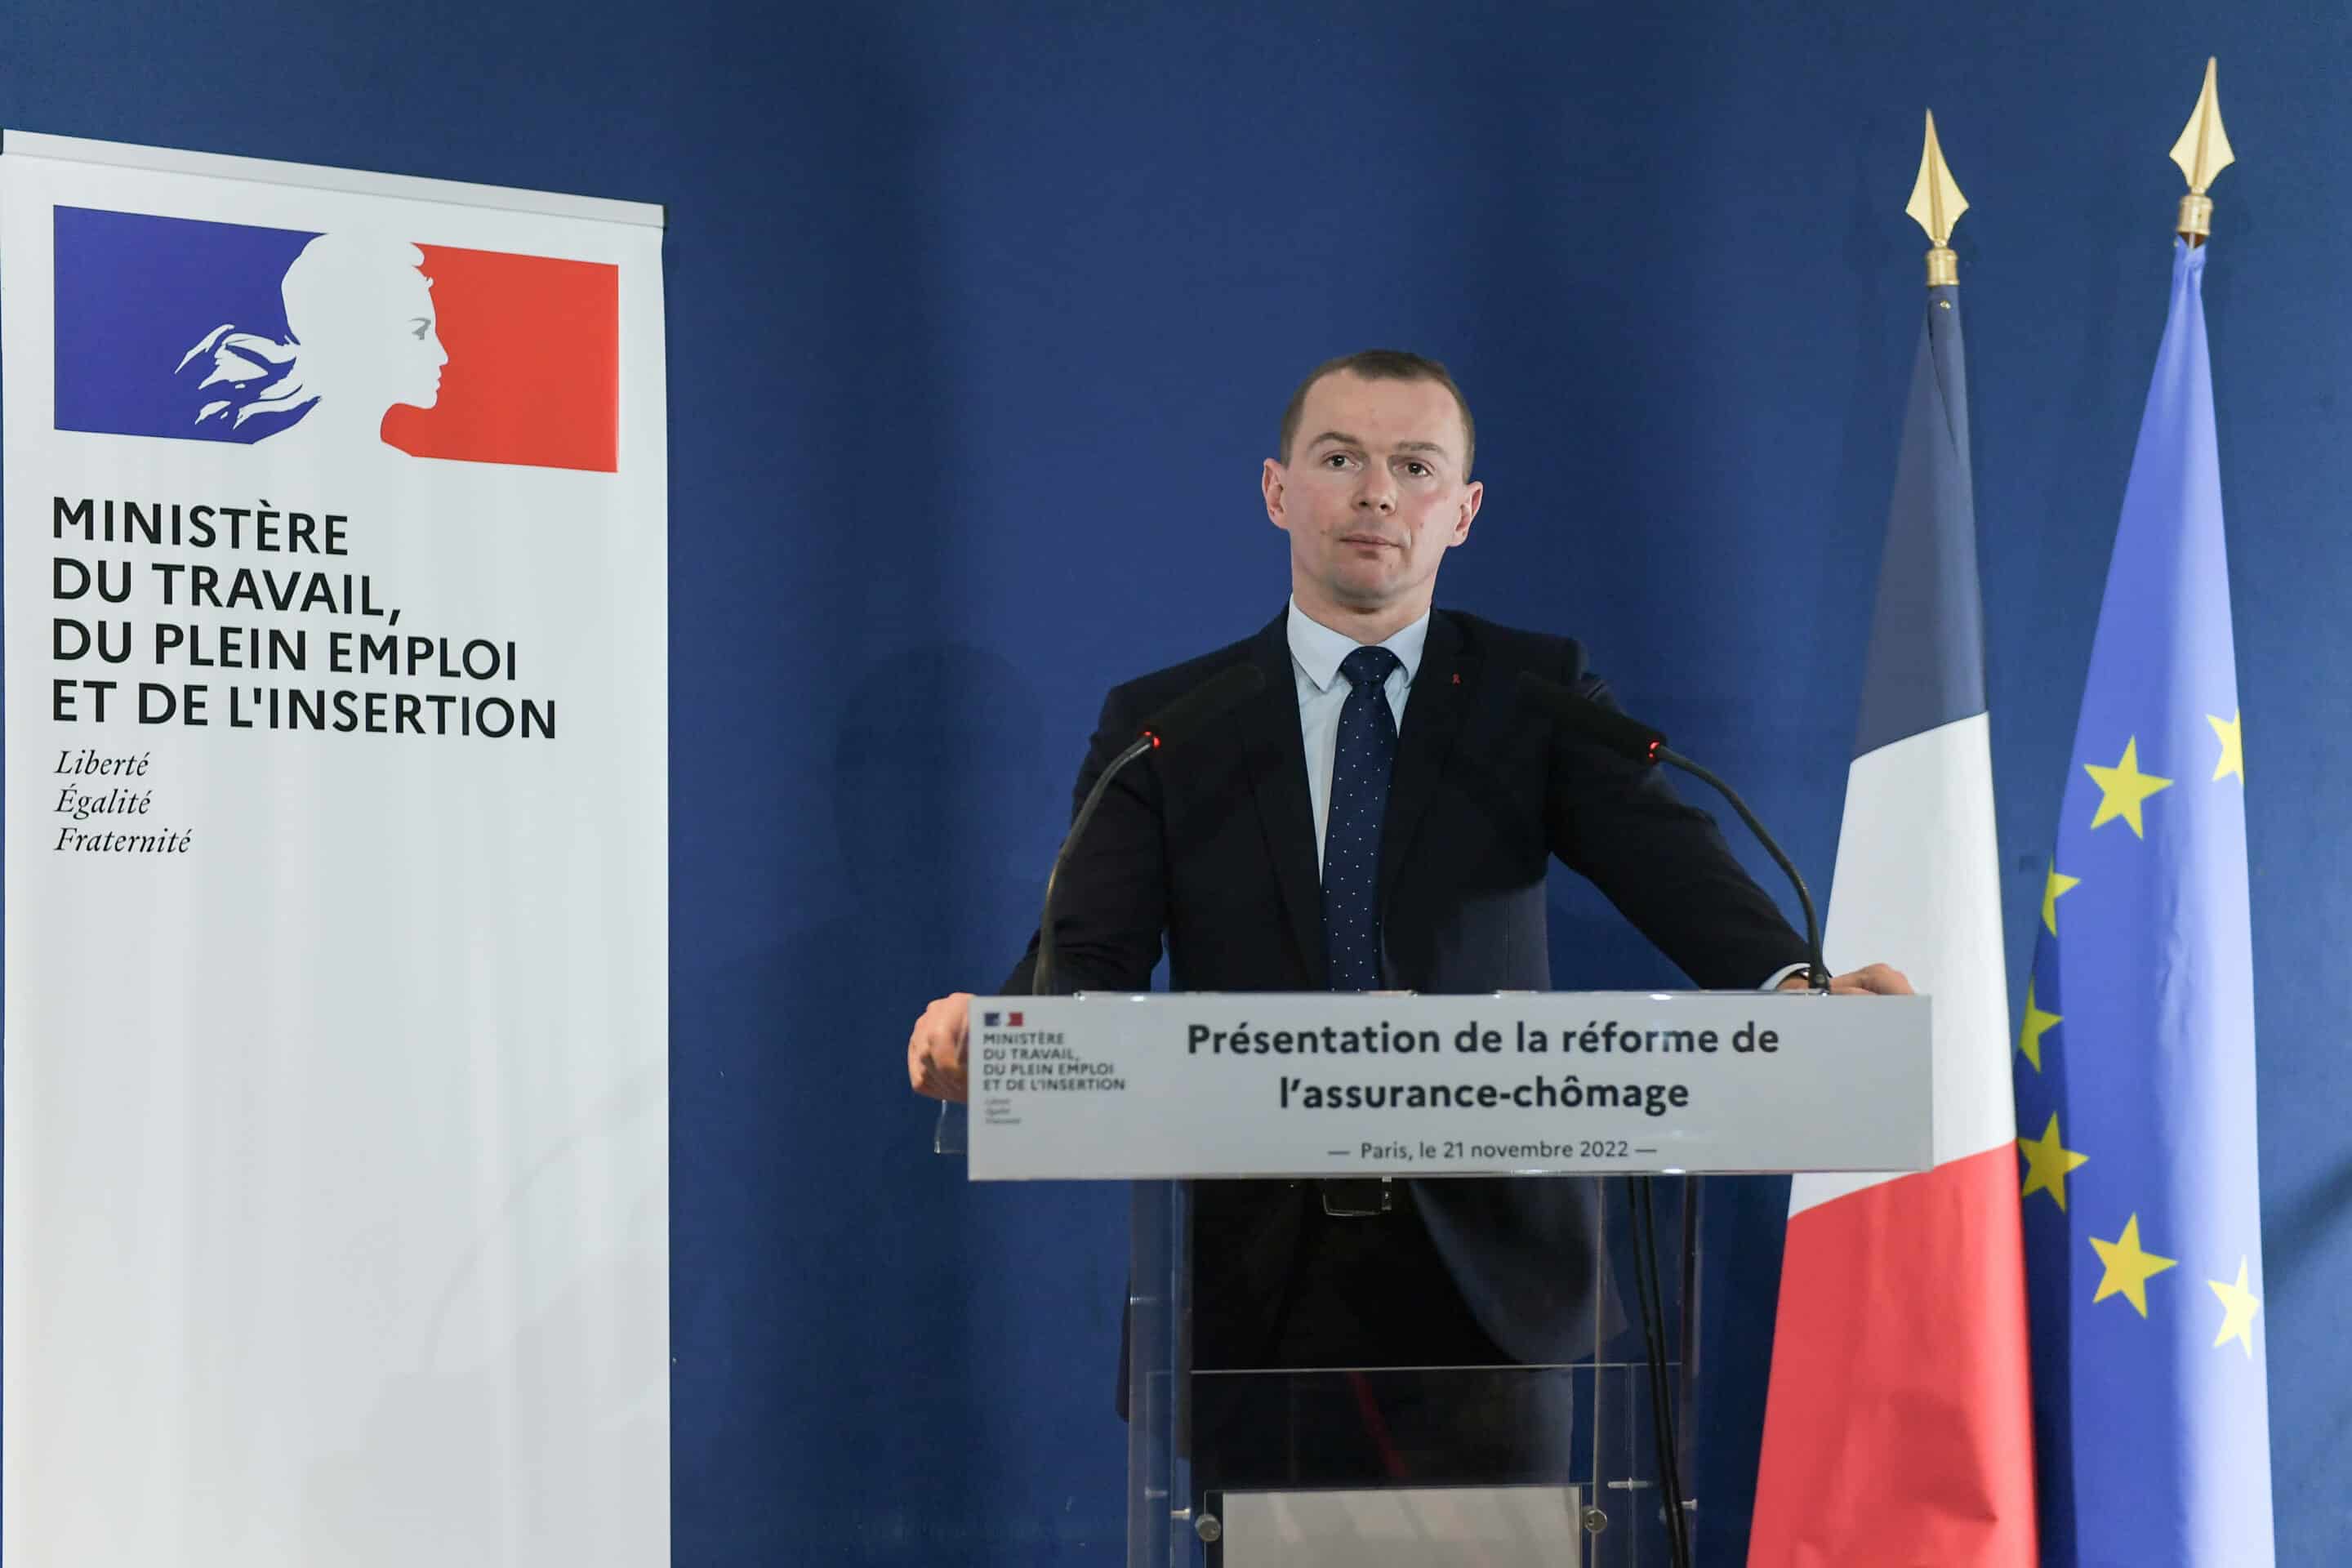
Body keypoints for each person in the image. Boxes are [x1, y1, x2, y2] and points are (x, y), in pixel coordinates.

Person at [906, 348, 1909, 1491]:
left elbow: (1669, 863)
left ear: (1463, 512)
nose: (1377, 492)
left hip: (1494, 1277)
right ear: (1280, 490)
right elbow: (1084, 957)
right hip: (1259, 1288)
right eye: (1341, 458)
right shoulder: (1169, 724)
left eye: (1415, 466)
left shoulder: (1536, 695)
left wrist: (1796, 986)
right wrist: (1008, 1036)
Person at [178, 233, 448, 452]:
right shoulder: (266, 461)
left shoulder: (403, 471)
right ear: (353, 341)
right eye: (419, 333)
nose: (442, 355)